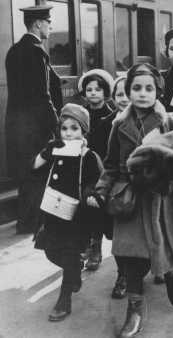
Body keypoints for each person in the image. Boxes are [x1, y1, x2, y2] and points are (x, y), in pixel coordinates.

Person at [95, 63, 173, 338]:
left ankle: (171, 275)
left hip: (163, 197)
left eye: (149, 88)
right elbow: (111, 164)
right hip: (132, 199)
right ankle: (134, 310)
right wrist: (101, 189)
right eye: (136, 88)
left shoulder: (168, 122)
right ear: (127, 91)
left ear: (158, 92)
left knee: (163, 247)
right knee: (131, 256)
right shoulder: (118, 125)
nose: (142, 94)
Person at [32, 104, 100, 321]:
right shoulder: (56, 150)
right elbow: (34, 167)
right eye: (64, 128)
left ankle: (64, 298)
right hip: (53, 213)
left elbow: (97, 181)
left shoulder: (88, 156)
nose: (68, 133)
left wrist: (91, 195)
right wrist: (47, 150)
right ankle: (74, 271)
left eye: (74, 129)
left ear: (83, 132)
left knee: (70, 252)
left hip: (77, 217)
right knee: (51, 251)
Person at [5, 4, 63, 234]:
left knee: (26, 174)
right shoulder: (37, 51)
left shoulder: (14, 50)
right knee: (39, 173)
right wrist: (56, 124)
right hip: (35, 126)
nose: (50, 26)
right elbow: (42, 94)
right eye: (48, 22)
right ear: (38, 24)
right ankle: (32, 224)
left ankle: (26, 221)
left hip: (17, 125)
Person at [77, 69, 116, 271]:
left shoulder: (111, 115)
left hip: (104, 170)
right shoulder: (80, 114)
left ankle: (96, 247)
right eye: (89, 89)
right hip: (83, 167)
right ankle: (83, 245)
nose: (93, 93)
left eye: (98, 89)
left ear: (105, 92)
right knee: (81, 208)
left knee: (96, 206)